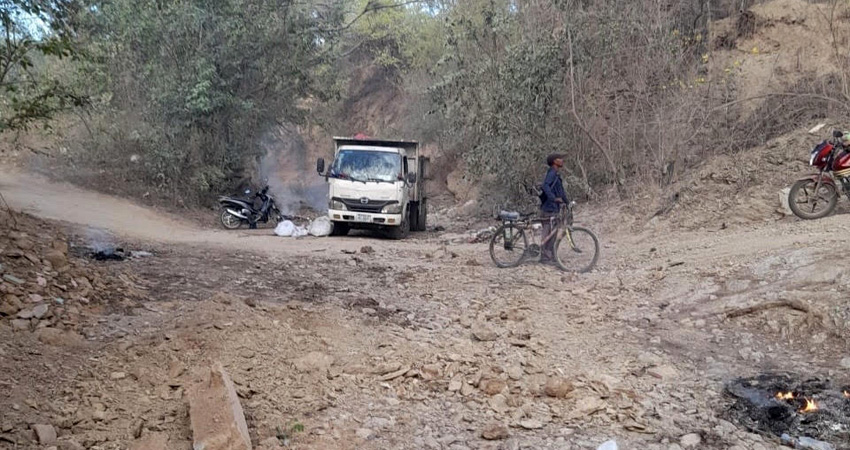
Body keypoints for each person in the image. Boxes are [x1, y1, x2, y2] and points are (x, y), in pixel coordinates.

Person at [540, 154, 570, 263]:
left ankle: (550, 256)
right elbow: (545, 186)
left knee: (552, 232)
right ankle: (544, 256)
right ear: (554, 161)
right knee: (548, 232)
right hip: (548, 208)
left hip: (553, 208)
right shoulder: (552, 173)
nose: (562, 160)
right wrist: (553, 198)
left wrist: (567, 202)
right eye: (559, 159)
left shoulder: (556, 174)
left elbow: (561, 192)